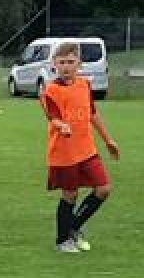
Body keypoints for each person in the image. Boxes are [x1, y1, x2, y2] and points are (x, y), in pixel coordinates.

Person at [41, 40, 120, 253]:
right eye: (62, 62)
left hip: (87, 149)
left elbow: (92, 113)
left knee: (103, 189)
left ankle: (73, 227)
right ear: (54, 64)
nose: (66, 66)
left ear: (79, 64)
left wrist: (108, 140)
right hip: (64, 153)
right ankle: (62, 241)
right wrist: (62, 126)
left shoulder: (84, 85)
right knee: (70, 195)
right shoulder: (50, 91)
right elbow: (53, 118)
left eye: (70, 61)